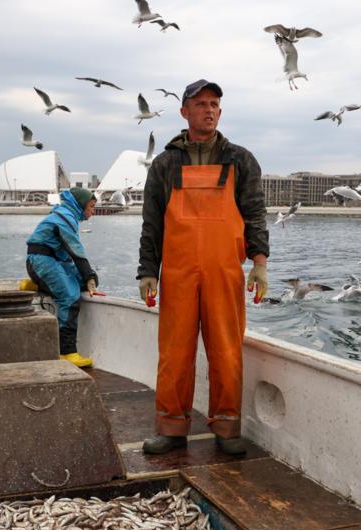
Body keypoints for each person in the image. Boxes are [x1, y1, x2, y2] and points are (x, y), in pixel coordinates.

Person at [137, 79, 269, 455]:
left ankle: (227, 428)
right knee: (174, 352)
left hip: (225, 271)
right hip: (176, 272)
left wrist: (260, 264)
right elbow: (152, 223)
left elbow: (255, 214)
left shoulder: (240, 160)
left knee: (226, 351)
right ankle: (171, 427)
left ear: (220, 112)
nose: (209, 110)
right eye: (200, 104)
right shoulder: (165, 163)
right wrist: (148, 270)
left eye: (214, 104)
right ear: (184, 112)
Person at [24, 187, 102, 368]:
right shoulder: (65, 217)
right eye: (91, 207)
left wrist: (90, 277)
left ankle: (37, 284)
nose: (93, 211)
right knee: (70, 296)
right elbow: (75, 249)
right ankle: (66, 352)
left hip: (51, 262)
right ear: (81, 205)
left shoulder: (69, 215)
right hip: (42, 261)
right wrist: (88, 273)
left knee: (86, 282)